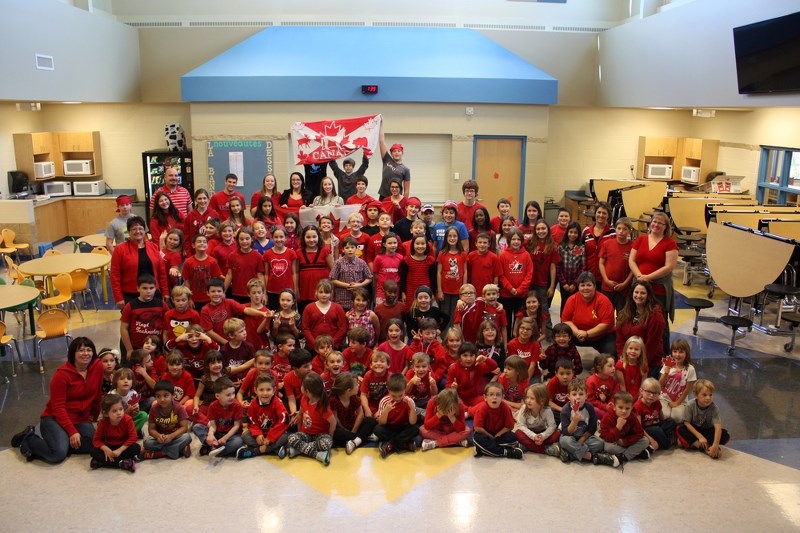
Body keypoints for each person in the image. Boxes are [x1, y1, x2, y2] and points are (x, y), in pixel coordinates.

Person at [12, 338, 103, 464]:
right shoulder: (61, 375)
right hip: (54, 419)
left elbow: (97, 393)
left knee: (96, 444)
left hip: (80, 418)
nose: (86, 353)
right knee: (58, 454)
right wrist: (72, 432)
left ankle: (63, 441)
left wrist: (95, 415)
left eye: (89, 350)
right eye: (81, 350)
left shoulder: (97, 366)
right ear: (72, 353)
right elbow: (58, 408)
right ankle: (27, 439)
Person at [629, 211, 678, 350]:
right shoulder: (641, 239)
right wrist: (639, 277)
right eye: (654, 222)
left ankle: (663, 356)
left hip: (658, 289)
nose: (656, 225)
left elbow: (669, 267)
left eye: (660, 223)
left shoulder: (670, 243)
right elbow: (631, 260)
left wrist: (648, 278)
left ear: (665, 227)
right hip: (639, 287)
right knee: (636, 319)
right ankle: (636, 350)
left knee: (660, 322)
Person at [110, 216, 169, 309]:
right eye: (134, 229)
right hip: (130, 295)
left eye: (140, 228)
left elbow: (161, 271)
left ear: (144, 231)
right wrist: (118, 298)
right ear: (128, 232)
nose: (137, 231)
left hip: (153, 293)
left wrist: (165, 291)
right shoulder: (120, 249)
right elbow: (115, 275)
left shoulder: (153, 247)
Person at [615, 280, 666, 378]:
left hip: (648, 362)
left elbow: (652, 346)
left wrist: (637, 363)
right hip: (628, 358)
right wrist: (622, 358)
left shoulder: (656, 317)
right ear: (632, 294)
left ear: (648, 295)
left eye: (643, 293)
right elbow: (620, 339)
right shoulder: (625, 312)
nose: (639, 295)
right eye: (636, 292)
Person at [561, 271, 616, 356]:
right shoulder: (572, 299)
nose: (585, 288)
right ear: (578, 287)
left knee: (612, 353)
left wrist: (587, 334)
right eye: (582, 285)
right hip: (579, 334)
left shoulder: (604, 301)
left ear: (594, 286)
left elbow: (606, 324)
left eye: (588, 285)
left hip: (602, 336)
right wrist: (577, 332)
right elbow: (565, 320)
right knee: (560, 340)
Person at [236, 373, 290, 459]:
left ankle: (257, 451)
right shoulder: (253, 403)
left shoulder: (277, 402)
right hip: (261, 436)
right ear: (255, 390)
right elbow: (251, 420)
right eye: (261, 390)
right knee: (245, 436)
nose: (265, 393)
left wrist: (271, 437)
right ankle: (275, 449)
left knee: (285, 437)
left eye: (268, 389)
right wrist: (257, 434)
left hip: (274, 434)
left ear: (274, 390)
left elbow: (284, 420)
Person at [286, 372, 335, 465]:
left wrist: (331, 437)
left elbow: (333, 422)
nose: (301, 387)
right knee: (291, 438)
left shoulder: (322, 406)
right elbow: (300, 415)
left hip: (320, 436)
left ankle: (298, 450)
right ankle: (317, 455)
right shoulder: (304, 398)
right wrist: (299, 431)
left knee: (325, 443)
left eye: (302, 386)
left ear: (307, 391)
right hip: (306, 435)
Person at [119, 274, 169, 364]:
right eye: (145, 288)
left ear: (155, 288)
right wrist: (129, 349)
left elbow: (167, 328)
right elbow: (123, 328)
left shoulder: (162, 305)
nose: (148, 291)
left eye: (151, 288)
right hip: (137, 349)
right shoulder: (130, 305)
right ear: (138, 288)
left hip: (156, 350)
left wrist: (165, 347)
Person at [676, 379, 730, 459]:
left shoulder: (714, 408)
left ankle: (703, 445)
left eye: (710, 395)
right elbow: (686, 423)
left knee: (725, 435)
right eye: (704, 395)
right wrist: (700, 437)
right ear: (696, 395)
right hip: (694, 430)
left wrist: (715, 445)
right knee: (680, 429)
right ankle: (705, 447)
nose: (708, 398)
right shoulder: (690, 405)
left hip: (707, 430)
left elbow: (718, 428)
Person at [595, 391, 650, 468]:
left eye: (627, 408)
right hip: (613, 442)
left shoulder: (632, 417)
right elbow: (608, 438)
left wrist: (624, 442)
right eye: (620, 407)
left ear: (631, 408)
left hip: (626, 441)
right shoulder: (607, 417)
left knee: (645, 441)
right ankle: (636, 453)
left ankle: (622, 457)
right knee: (608, 447)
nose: (624, 411)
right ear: (614, 407)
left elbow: (639, 433)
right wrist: (618, 427)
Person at [193, 376, 244, 457]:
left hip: (231, 435)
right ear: (217, 396)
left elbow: (236, 426)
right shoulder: (212, 406)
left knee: (238, 441)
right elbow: (212, 425)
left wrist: (225, 438)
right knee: (197, 427)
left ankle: (212, 449)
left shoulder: (237, 406)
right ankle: (214, 445)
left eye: (233, 393)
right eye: (228, 395)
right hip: (217, 433)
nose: (232, 397)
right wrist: (210, 434)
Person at [141, 380, 192, 460]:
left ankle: (160, 453)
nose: (162, 399)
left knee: (187, 437)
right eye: (158, 396)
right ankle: (177, 449)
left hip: (175, 436)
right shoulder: (154, 409)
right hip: (160, 438)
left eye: (166, 396)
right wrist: (158, 436)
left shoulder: (179, 408)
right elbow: (151, 429)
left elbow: (184, 427)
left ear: (172, 396)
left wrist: (171, 436)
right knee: (146, 441)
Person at [472, 381, 523, 459]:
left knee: (513, 438)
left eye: (498, 395)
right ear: (485, 397)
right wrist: (490, 436)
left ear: (502, 397)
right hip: (485, 434)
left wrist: (498, 434)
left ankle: (482, 449)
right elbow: (478, 428)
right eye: (491, 394)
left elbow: (509, 426)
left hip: (500, 434)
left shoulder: (505, 408)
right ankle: (506, 452)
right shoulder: (481, 408)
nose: (494, 397)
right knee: (477, 438)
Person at [89, 394, 140, 472]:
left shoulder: (128, 419)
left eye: (121, 409)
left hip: (123, 446)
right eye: (114, 411)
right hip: (109, 446)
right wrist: (106, 449)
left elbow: (133, 437)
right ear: (106, 413)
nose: (119, 413)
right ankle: (122, 462)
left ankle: (102, 462)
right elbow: (96, 440)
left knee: (136, 448)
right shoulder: (102, 422)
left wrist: (120, 450)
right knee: (93, 451)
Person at [498, 227, 533, 339]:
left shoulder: (526, 255)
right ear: (509, 241)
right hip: (506, 295)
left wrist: (519, 290)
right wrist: (510, 288)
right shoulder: (503, 255)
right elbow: (501, 275)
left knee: (519, 320)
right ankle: (507, 342)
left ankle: (517, 341)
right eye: (513, 239)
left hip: (521, 295)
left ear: (522, 241)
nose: (516, 241)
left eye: (518, 239)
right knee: (506, 321)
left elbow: (529, 274)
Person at [330, 372, 377, 455]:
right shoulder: (333, 400)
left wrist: (353, 431)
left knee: (371, 421)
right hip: (341, 428)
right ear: (349, 390)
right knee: (337, 433)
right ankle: (361, 438)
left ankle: (354, 442)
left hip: (354, 426)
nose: (358, 386)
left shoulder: (354, 398)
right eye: (357, 385)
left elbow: (360, 415)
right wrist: (347, 431)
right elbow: (335, 419)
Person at [558, 378, 603, 463]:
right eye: (574, 394)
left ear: (586, 396)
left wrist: (581, 440)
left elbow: (592, 428)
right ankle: (588, 456)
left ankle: (570, 454)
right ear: (569, 397)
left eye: (581, 394)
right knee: (565, 441)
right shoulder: (565, 410)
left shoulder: (589, 408)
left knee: (600, 444)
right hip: (569, 437)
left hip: (584, 437)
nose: (578, 397)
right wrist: (574, 421)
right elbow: (566, 432)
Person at [375, 374, 420, 458]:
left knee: (415, 429)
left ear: (404, 390)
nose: (397, 399)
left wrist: (412, 408)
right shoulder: (384, 401)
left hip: (403, 427)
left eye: (400, 395)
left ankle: (390, 445)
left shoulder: (409, 401)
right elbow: (381, 423)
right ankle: (405, 444)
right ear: (388, 390)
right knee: (377, 429)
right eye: (393, 396)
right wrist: (386, 411)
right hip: (390, 427)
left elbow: (412, 422)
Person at [446, 342, 498, 411]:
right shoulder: (453, 368)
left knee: (491, 401)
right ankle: (472, 411)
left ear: (475, 356)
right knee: (450, 403)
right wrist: (452, 386)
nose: (469, 359)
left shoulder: (478, 365)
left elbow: (493, 366)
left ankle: (469, 412)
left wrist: (485, 359)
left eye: (471, 355)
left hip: (475, 399)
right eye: (465, 355)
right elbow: (447, 385)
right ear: (459, 356)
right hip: (459, 398)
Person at [513, 383, 560, 456]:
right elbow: (520, 425)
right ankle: (546, 449)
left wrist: (542, 436)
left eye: (532, 398)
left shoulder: (547, 410)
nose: (528, 401)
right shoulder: (524, 408)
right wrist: (533, 436)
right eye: (527, 397)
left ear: (542, 401)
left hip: (541, 433)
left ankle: (527, 446)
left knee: (557, 433)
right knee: (518, 433)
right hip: (528, 433)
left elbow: (552, 426)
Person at [598, 217, 634, 311]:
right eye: (619, 228)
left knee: (622, 316)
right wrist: (606, 280)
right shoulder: (607, 243)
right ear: (615, 229)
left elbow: (634, 268)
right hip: (607, 287)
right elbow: (601, 263)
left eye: (625, 229)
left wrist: (625, 283)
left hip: (624, 289)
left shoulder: (633, 246)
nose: (621, 231)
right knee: (605, 313)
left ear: (630, 231)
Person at [181, 234, 224, 312]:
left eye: (204, 242)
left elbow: (215, 281)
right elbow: (187, 282)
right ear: (193, 245)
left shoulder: (212, 261)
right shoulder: (188, 262)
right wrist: (189, 298)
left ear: (207, 245)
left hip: (209, 298)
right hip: (195, 299)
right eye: (199, 242)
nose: (202, 243)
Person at [296, 225, 333, 313]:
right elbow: (296, 272)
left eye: (314, 236)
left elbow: (333, 271)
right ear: (303, 238)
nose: (311, 240)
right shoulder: (298, 252)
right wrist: (296, 289)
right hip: (305, 289)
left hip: (323, 289)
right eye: (308, 237)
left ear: (318, 237)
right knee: (306, 311)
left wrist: (332, 289)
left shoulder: (325, 251)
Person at [302, 279, 348, 349]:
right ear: (316, 292)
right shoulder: (309, 308)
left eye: (326, 292)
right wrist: (315, 344)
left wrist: (332, 342)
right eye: (321, 292)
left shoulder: (338, 308)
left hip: (333, 346)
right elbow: (305, 328)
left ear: (331, 293)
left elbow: (343, 328)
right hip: (314, 346)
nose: (324, 295)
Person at [437, 226, 468, 328]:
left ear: (458, 238)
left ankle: (454, 336)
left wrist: (463, 290)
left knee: (456, 315)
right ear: (446, 238)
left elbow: (465, 272)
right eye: (450, 236)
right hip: (445, 291)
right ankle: (444, 336)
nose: (452, 238)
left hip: (458, 291)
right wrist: (440, 290)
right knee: (445, 314)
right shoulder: (442, 254)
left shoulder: (462, 254)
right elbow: (439, 272)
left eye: (454, 236)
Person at [330, 236, 372, 312]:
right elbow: (332, 279)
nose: (350, 250)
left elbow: (369, 278)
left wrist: (359, 285)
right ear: (343, 250)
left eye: (352, 247)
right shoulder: (338, 263)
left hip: (358, 301)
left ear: (356, 249)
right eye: (347, 248)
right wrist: (347, 285)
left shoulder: (361, 262)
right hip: (342, 300)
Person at [659, 338, 697, 422]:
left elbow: (687, 389)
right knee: (664, 415)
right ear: (671, 352)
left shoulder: (690, 369)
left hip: (680, 400)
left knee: (677, 417)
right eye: (675, 351)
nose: (677, 355)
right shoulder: (668, 364)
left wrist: (677, 403)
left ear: (686, 353)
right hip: (665, 397)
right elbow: (660, 384)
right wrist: (666, 373)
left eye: (681, 352)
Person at [635, 377, 676, 452]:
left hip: (657, 426)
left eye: (655, 393)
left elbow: (662, 418)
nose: (651, 396)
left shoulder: (657, 402)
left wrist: (665, 424)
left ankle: (661, 438)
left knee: (671, 421)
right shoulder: (638, 406)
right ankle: (667, 442)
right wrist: (651, 440)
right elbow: (639, 428)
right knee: (657, 430)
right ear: (641, 391)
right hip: (646, 430)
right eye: (648, 392)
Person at [556, 221, 586, 314]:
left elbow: (583, 266)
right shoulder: (561, 247)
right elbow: (558, 266)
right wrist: (563, 283)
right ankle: (563, 326)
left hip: (576, 284)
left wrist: (575, 283)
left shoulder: (581, 247)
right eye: (571, 232)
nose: (573, 235)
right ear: (567, 232)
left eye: (575, 233)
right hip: (564, 283)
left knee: (575, 304)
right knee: (564, 304)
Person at [581, 201, 615, 281]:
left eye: (604, 213)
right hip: (588, 276)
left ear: (608, 216)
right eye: (599, 212)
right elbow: (581, 252)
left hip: (606, 277)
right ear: (595, 213)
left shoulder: (613, 233)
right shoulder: (586, 231)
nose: (601, 215)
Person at [183, 188, 219, 256]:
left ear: (208, 199)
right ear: (196, 200)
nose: (202, 201)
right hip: (194, 252)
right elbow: (186, 237)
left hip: (211, 251)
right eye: (199, 199)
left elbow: (217, 234)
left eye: (204, 198)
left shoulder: (214, 214)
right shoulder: (190, 216)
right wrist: (188, 253)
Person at [378, 123, 410, 199]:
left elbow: (407, 189)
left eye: (398, 151)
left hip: (397, 197)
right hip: (383, 196)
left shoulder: (405, 169)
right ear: (391, 153)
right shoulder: (386, 160)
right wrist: (380, 125)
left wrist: (404, 202)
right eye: (394, 151)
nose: (396, 153)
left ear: (402, 153)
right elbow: (381, 141)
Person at [586, 354, 619, 421]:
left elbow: (614, 394)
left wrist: (611, 402)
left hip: (608, 406)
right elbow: (590, 400)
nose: (613, 368)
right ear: (599, 368)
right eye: (610, 366)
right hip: (595, 406)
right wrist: (604, 406)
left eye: (613, 365)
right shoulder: (590, 381)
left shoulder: (612, 380)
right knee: (595, 411)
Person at [616, 336, 647, 400]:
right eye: (630, 348)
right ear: (626, 349)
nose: (633, 351)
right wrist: (626, 399)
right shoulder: (620, 365)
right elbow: (622, 386)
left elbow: (643, 384)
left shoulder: (643, 365)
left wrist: (640, 396)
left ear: (641, 352)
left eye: (636, 349)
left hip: (639, 394)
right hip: (624, 394)